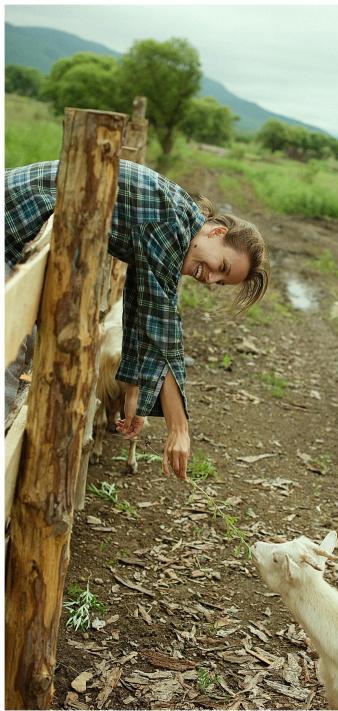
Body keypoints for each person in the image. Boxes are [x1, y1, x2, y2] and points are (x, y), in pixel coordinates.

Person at [5, 159, 269, 479]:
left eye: (221, 282)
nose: (211, 279)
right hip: (12, 221)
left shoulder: (179, 222)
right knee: (9, 361)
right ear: (217, 232)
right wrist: (179, 429)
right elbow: (161, 326)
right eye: (222, 267)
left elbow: (140, 305)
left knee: (18, 354)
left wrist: (134, 391)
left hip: (21, 236)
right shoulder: (170, 226)